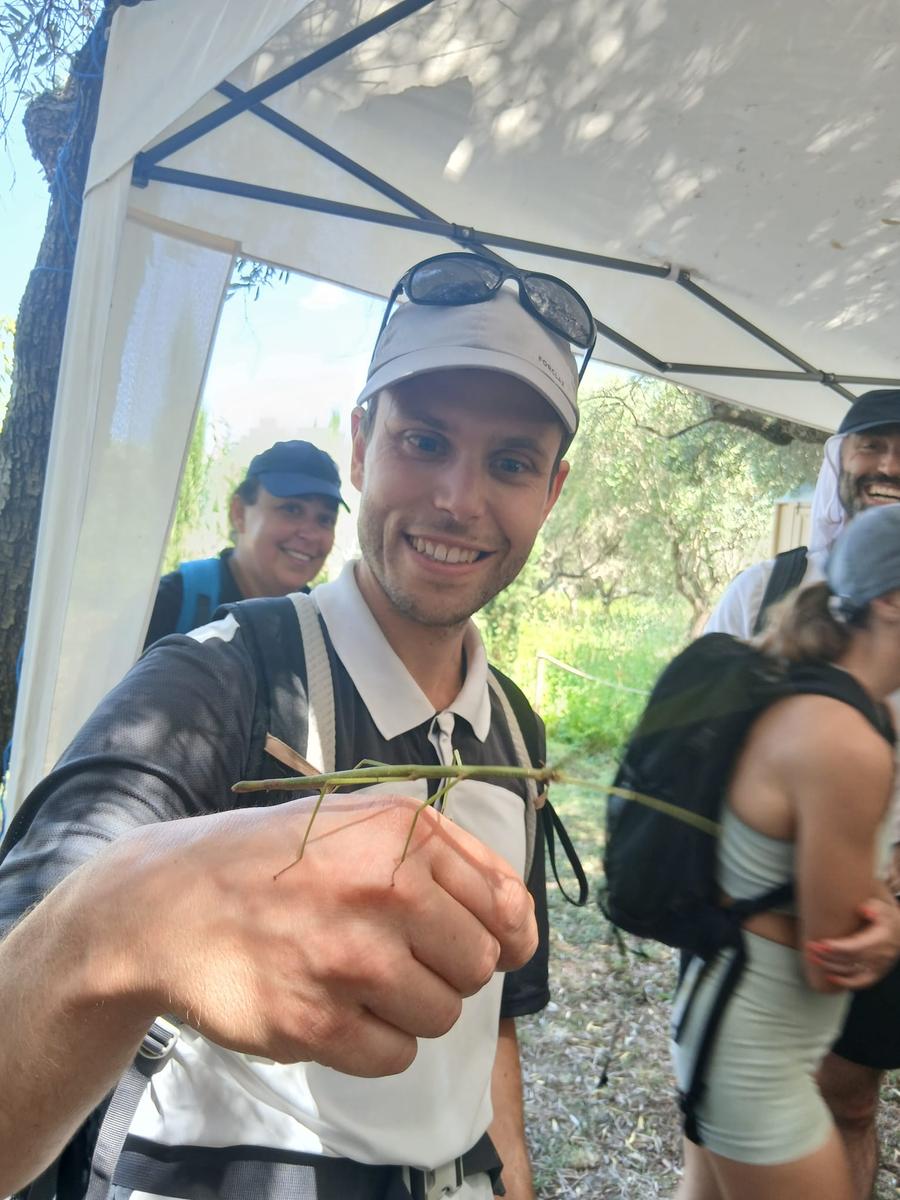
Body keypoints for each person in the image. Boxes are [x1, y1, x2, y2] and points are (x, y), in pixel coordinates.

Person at [0, 250, 596, 1200]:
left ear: (552, 492)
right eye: (424, 441)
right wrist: (122, 916)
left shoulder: (513, 729)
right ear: (361, 445)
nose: (458, 499)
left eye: (511, 462)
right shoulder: (215, 678)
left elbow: (494, 1020)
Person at [705, 388, 900, 1198]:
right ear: (837, 460)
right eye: (870, 447)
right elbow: (694, 748)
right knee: (747, 1104)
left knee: (850, 1102)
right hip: (763, 915)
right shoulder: (763, 589)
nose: (887, 465)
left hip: (889, 899)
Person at [144, 439, 347, 646]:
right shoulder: (168, 603)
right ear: (239, 512)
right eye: (292, 510)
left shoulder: (327, 630)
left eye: (325, 520)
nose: (310, 534)